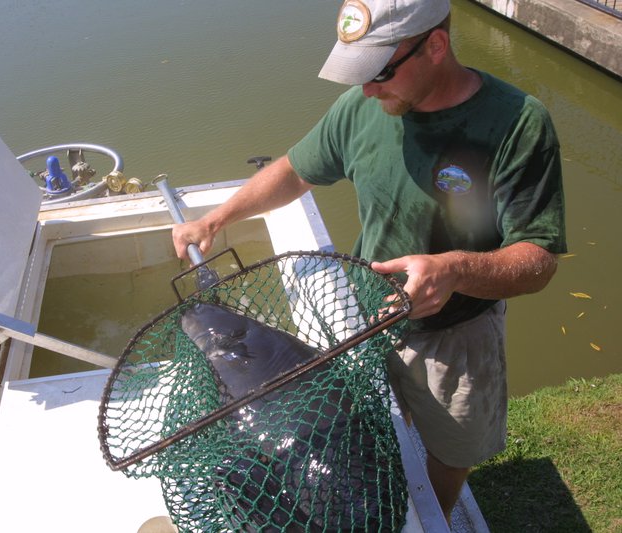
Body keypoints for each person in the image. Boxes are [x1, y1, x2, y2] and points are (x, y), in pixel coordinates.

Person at [171, 0, 567, 523]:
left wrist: (454, 270)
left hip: (456, 334)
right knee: (360, 425)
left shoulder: (517, 124)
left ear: (436, 45)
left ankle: (435, 516)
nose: (367, 90)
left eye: (379, 73)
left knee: (452, 450)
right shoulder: (361, 109)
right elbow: (295, 170)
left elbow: (537, 259)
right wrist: (216, 219)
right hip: (364, 318)